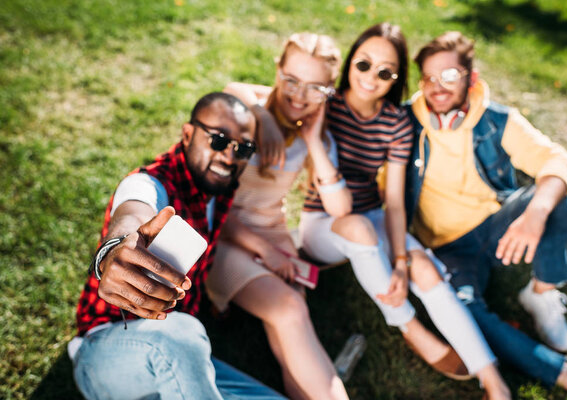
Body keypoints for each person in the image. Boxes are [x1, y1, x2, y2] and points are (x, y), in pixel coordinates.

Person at [297, 23, 510, 399]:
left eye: (385, 72)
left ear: (396, 78)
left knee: (424, 268)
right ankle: (408, 325)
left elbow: (393, 201)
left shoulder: (395, 122)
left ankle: (494, 382)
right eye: (364, 65)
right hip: (323, 225)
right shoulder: (324, 105)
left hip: (372, 216)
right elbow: (273, 97)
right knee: (360, 229)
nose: (371, 78)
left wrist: (399, 260)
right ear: (351, 62)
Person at [404, 31, 567, 398]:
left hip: (495, 227)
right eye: (429, 77)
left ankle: (541, 292)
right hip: (445, 250)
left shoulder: (495, 120)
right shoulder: (406, 124)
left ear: (471, 78)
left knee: (554, 197)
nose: (437, 87)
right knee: (466, 313)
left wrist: (536, 212)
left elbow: (559, 161)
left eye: (449, 76)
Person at [69, 92, 286, 399]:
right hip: (111, 350)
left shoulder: (219, 186)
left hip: (183, 356)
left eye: (244, 148)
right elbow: (131, 213)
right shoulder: (149, 184)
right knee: (182, 334)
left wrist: (264, 117)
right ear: (187, 134)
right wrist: (115, 249)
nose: (229, 157)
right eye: (219, 140)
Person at [206, 33, 351, 400]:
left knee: (292, 322)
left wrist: (315, 141)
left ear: (329, 91)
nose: (299, 96)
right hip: (221, 233)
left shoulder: (314, 134)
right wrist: (260, 116)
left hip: (272, 231)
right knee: (288, 309)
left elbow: (338, 208)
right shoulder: (243, 115)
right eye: (291, 80)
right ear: (277, 70)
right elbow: (231, 89)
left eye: (315, 87)